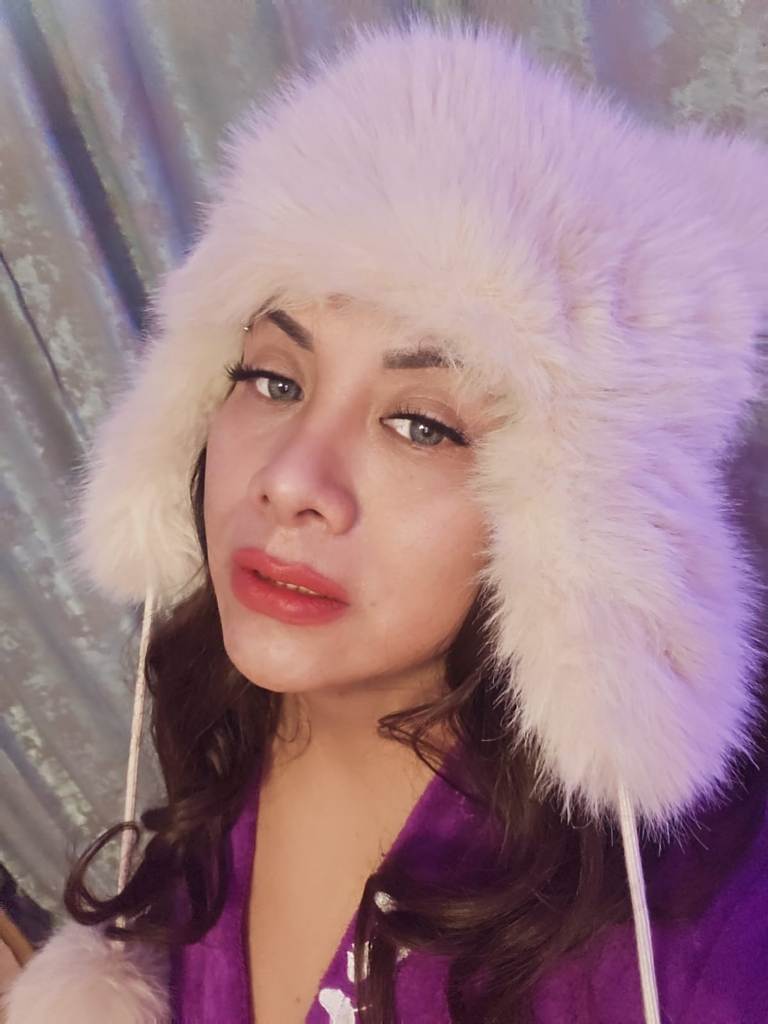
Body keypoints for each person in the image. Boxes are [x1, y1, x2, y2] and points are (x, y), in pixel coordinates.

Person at [4, 13, 768, 1024]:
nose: (289, 480)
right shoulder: (238, 719)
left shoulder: (685, 957)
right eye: (273, 379)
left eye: (421, 425)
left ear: (573, 534)